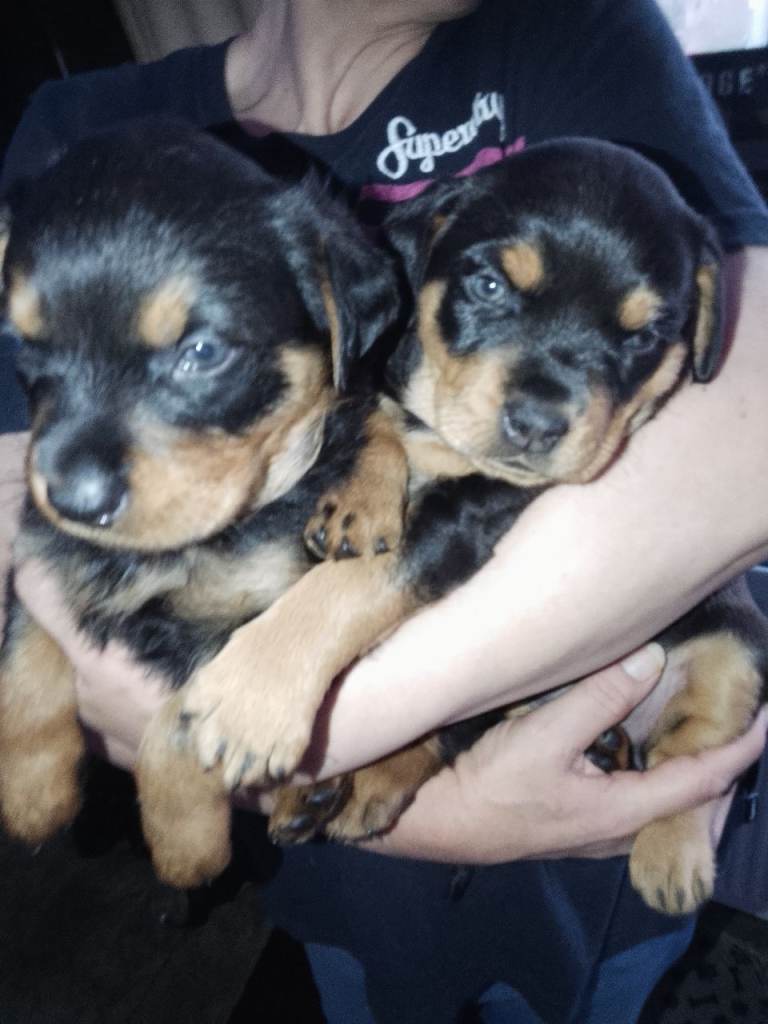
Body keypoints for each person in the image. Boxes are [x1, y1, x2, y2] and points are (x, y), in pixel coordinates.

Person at [2, 1, 768, 1020]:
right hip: (330, 862)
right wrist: (425, 805)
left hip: (587, 867)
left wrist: (305, 719)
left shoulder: (580, 36)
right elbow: (35, 527)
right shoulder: (74, 128)